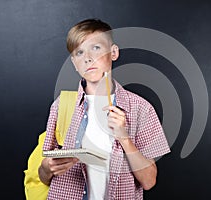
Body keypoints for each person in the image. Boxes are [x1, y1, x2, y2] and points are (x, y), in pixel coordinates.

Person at [38, 18, 171, 200]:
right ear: (74, 63)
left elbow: (149, 181)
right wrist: (46, 169)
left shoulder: (141, 108)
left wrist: (124, 137)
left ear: (113, 52)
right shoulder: (61, 106)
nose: (88, 58)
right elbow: (44, 177)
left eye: (96, 48)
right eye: (79, 52)